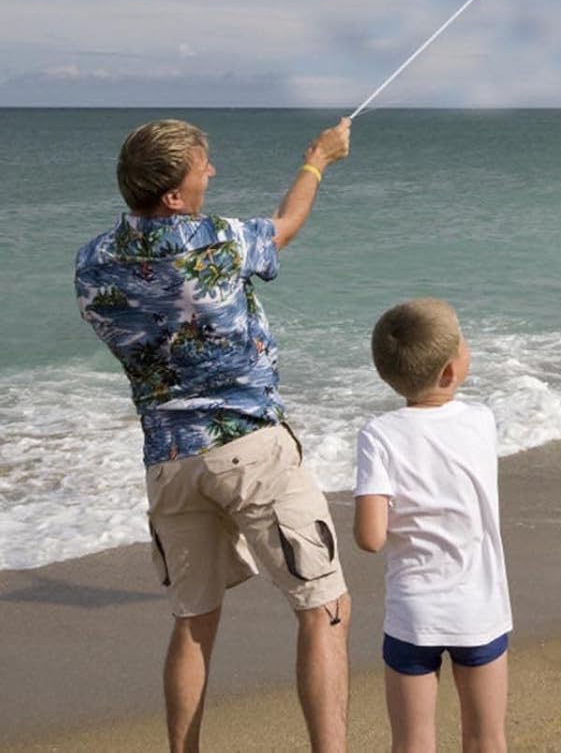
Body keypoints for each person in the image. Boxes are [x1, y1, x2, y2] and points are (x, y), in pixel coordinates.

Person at [75, 116, 353, 753]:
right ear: (174, 195)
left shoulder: (92, 261)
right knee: (325, 607)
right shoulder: (219, 241)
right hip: (249, 447)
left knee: (193, 623)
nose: (213, 173)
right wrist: (318, 160)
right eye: (204, 167)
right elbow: (285, 226)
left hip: (169, 461)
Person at [354, 299, 512, 753]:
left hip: (414, 613)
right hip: (477, 608)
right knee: (486, 737)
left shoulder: (378, 435)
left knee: (412, 742)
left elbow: (370, 538)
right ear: (449, 372)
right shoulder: (481, 420)